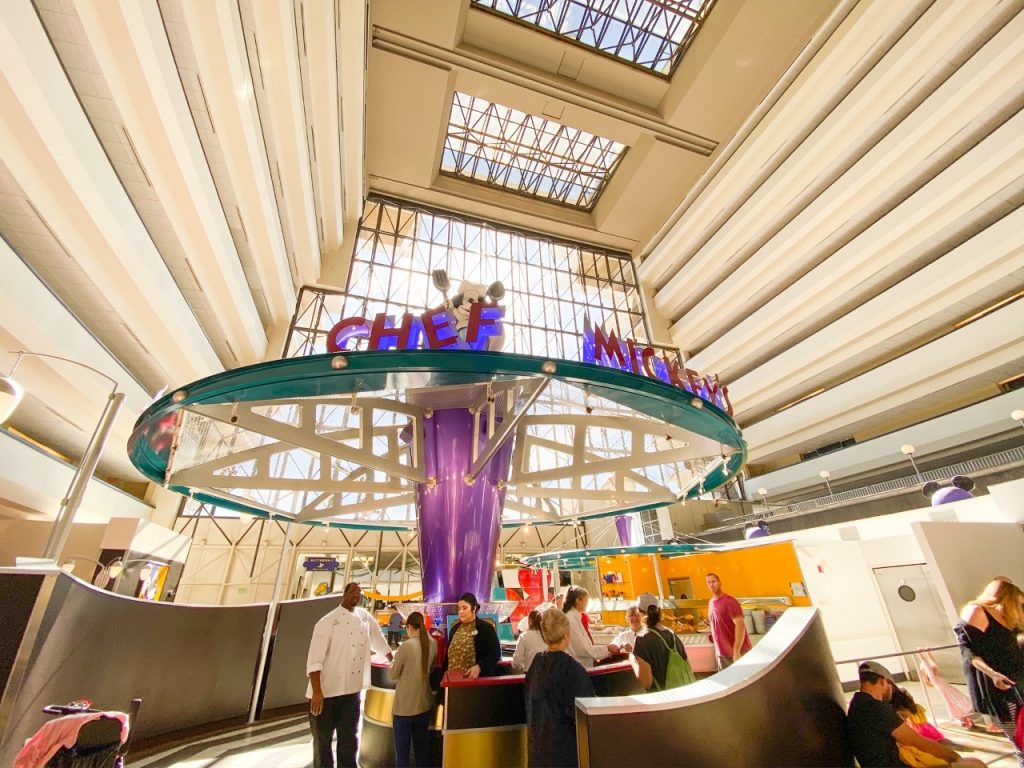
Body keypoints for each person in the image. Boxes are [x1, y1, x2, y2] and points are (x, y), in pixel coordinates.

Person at [306, 582, 393, 768]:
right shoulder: (327, 622)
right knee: (322, 739)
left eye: (359, 593)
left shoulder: (364, 617)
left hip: (351, 692)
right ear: (344, 594)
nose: (357, 595)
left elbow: (377, 638)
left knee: (349, 738)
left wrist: (390, 656)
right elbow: (314, 660)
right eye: (353, 591)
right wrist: (316, 692)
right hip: (326, 693)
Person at [846, 660, 983, 768]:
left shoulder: (856, 704)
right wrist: (955, 757)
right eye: (890, 687)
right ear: (883, 681)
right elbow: (918, 742)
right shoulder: (877, 708)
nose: (891, 692)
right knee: (975, 765)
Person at [955, 578, 1024, 760]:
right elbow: (968, 652)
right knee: (1019, 739)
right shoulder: (977, 611)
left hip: (1017, 681)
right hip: (1002, 688)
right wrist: (992, 674)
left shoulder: (1007, 616)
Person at [525, 608, 595, 768]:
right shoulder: (572, 669)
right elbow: (584, 714)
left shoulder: (535, 665)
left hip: (538, 749)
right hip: (564, 752)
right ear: (566, 634)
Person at [389, 611, 437, 768]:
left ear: (409, 627)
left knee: (402, 756)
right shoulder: (433, 643)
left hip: (404, 708)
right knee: (421, 752)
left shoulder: (406, 647)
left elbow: (393, 674)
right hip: (424, 705)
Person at [631, 595, 695, 691]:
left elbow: (646, 683)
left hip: (663, 698)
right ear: (659, 611)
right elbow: (688, 667)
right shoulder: (672, 634)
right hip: (684, 693)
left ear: (640, 613)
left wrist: (633, 661)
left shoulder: (641, 640)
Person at [442, 592, 500, 679]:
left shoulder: (485, 628)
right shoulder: (454, 629)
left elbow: (495, 654)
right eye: (459, 609)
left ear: (474, 609)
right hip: (453, 682)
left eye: (464, 608)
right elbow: (447, 657)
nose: (461, 611)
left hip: (475, 682)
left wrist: (480, 667)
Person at [706, 572, 750, 669]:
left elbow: (740, 626)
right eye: (708, 582)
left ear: (720, 583)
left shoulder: (730, 601)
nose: (711, 584)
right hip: (722, 654)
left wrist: (736, 650)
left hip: (735, 653)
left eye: (713, 581)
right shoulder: (711, 603)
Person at [562, 586, 614, 667]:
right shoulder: (571, 620)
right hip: (578, 667)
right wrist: (607, 648)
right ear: (578, 601)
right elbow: (583, 649)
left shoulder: (575, 618)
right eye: (586, 600)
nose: (587, 603)